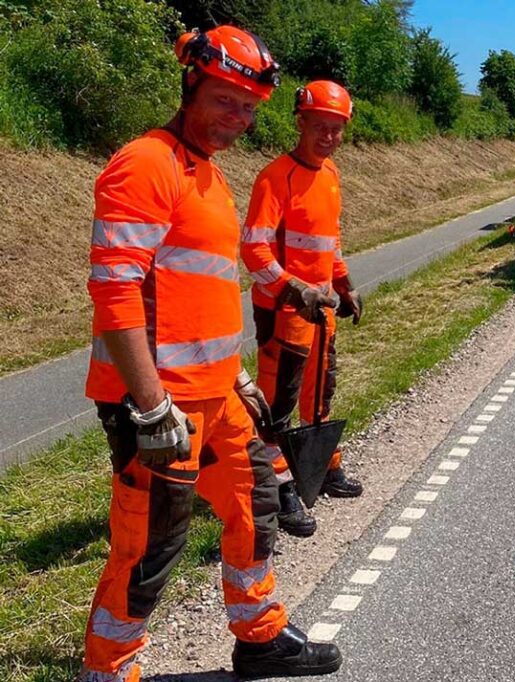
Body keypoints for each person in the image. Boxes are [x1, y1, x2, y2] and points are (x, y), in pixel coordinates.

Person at [81, 26, 341, 679]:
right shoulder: (146, 164)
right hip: (157, 404)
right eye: (227, 101)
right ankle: (108, 666)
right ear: (191, 86)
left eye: (251, 108)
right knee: (150, 544)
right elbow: (116, 292)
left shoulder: (213, 177)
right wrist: (149, 406)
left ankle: (259, 637)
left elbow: (203, 291)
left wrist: (240, 374)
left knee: (256, 505)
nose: (241, 119)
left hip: (217, 394)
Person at [241, 79, 363, 538]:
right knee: (278, 405)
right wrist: (296, 291)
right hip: (284, 311)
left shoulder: (330, 176)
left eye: (336, 129)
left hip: (321, 309)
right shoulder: (275, 178)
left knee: (321, 392)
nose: (328, 137)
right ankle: (282, 486)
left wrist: (343, 283)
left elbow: (328, 243)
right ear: (300, 123)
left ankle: (324, 467)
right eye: (320, 127)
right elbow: (253, 251)